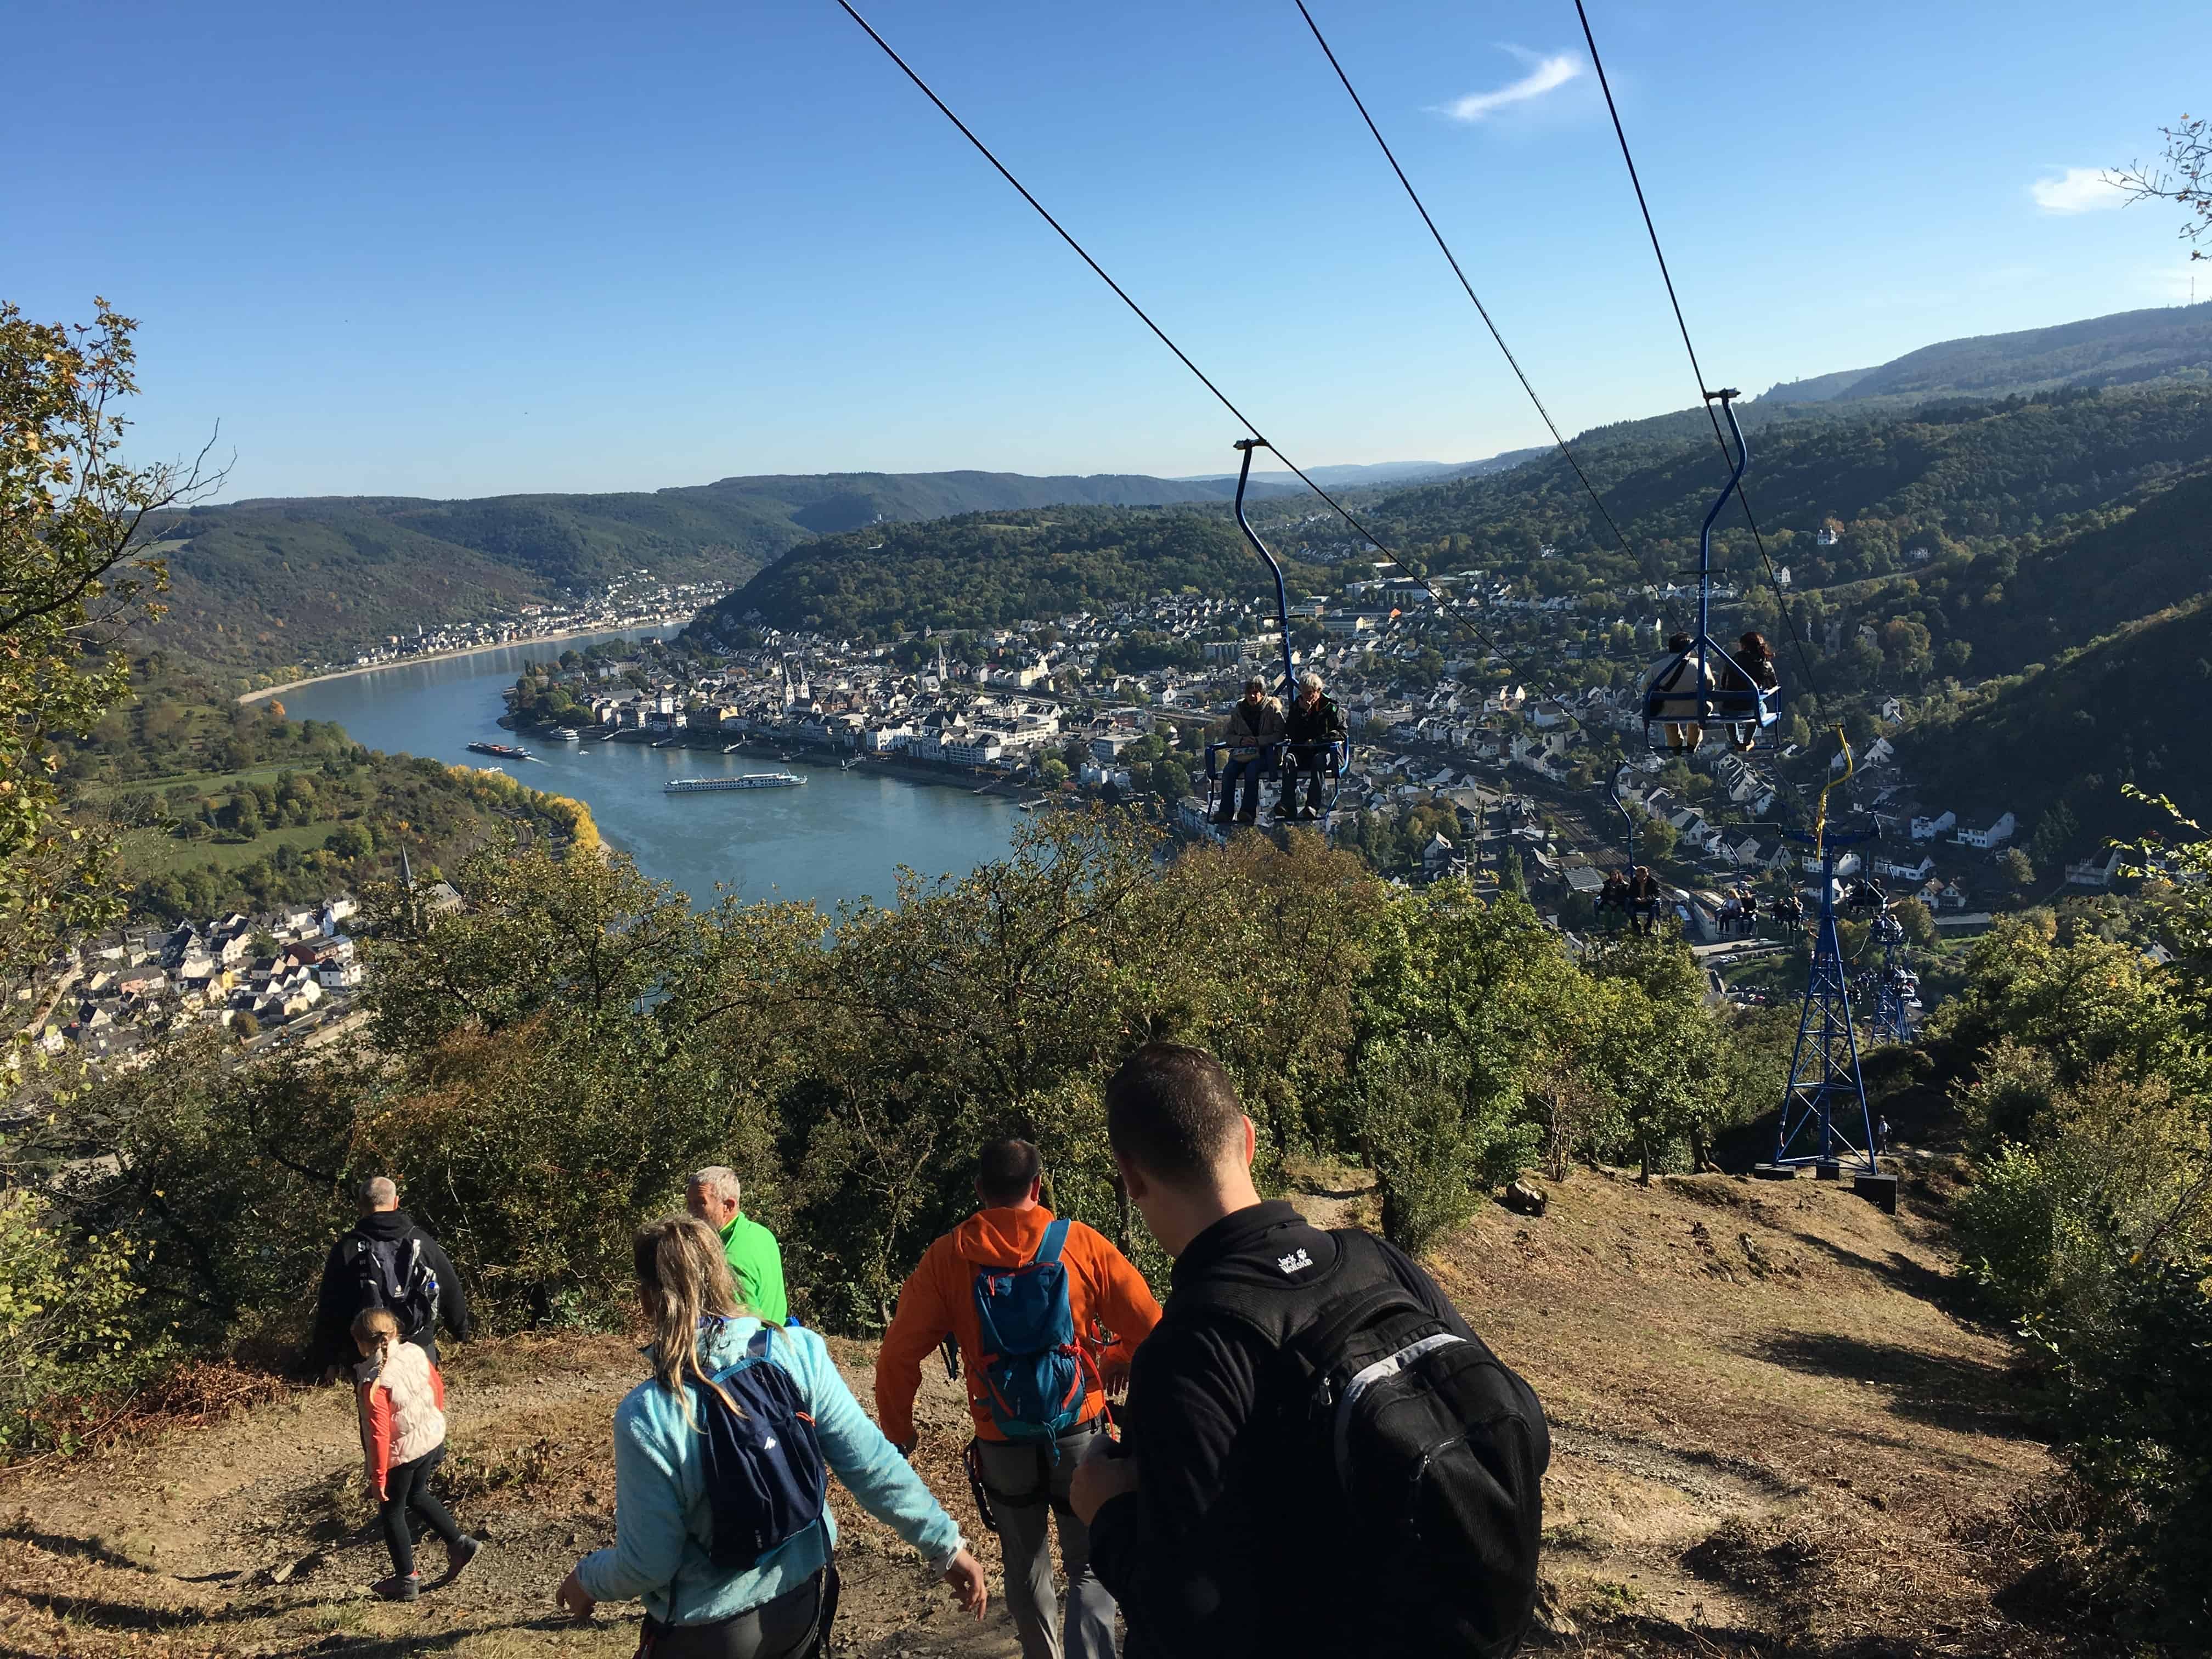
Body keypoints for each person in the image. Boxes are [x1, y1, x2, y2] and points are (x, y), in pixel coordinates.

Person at [1073, 1045, 1548, 1659]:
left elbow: (1191, 1623)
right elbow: (1520, 1429)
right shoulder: (1376, 1259)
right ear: (1247, 1139)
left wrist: (1105, 1515)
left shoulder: (1188, 1351)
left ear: (1132, 1177)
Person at [557, 1216, 988, 1657]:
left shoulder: (648, 1414)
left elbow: (648, 1564)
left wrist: (587, 1579)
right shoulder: (796, 1351)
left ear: (647, 1302)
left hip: (710, 1631)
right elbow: (872, 1465)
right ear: (724, 1275)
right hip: (805, 1603)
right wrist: (946, 1547)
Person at [877, 1138, 1160, 1659]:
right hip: (1079, 1427)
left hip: (1001, 1439)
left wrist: (900, 1431)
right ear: (1037, 1185)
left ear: (981, 1191)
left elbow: (896, 1355)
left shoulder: (948, 1257)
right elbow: (1155, 1330)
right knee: (1091, 1562)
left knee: (1026, 1563)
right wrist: (1117, 1356)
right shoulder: (1081, 1243)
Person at [352, 1307, 480, 1602]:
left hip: (403, 1453)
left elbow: (379, 1435)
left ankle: (406, 1579)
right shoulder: (413, 1352)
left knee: (391, 1511)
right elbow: (437, 1386)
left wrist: (378, 1478)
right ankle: (459, 1544)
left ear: (362, 1344)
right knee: (418, 1494)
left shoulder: (374, 1382)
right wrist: (432, 1419)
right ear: (395, 1332)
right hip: (429, 1438)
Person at [311, 1177, 472, 1378]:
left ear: (360, 1205)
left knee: (376, 1407)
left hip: (368, 1354)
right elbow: (450, 1289)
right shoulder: (422, 1241)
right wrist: (461, 1332)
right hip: (419, 1349)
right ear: (396, 1202)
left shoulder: (347, 1248)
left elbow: (330, 1308)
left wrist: (327, 1359)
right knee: (419, 1405)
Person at [687, 1166, 790, 1326]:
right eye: (689, 1203)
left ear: (728, 1206)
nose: (690, 1213)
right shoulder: (762, 1234)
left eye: (700, 1203)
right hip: (776, 1342)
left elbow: (741, 1329)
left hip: (750, 1348)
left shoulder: (728, 1258)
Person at [1212, 680, 1284, 826]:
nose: (1252, 696)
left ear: (1262, 694)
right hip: (1243, 753)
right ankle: (1225, 812)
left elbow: (1281, 734)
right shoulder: (1239, 711)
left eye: (1256, 693)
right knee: (1229, 770)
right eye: (1249, 693)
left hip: (1267, 755)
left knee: (1252, 769)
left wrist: (1259, 741)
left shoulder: (1272, 709)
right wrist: (1241, 741)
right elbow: (1228, 736)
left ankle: (1248, 812)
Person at [1278, 672, 1345, 823]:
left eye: (1309, 693)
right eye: (1303, 693)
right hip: (1303, 752)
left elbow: (1341, 733)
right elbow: (1290, 732)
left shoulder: (1331, 708)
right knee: (1289, 759)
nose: (1306, 697)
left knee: (1319, 760)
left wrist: (1317, 741)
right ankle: (1288, 804)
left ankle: (1312, 806)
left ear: (1318, 691)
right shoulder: (1297, 706)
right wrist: (1303, 713)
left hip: (1326, 752)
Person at [1645, 631, 1713, 753]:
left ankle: (1675, 745)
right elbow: (1710, 685)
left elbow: (1645, 686)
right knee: (1698, 713)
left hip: (1667, 710)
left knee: (1668, 718)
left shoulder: (1656, 667)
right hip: (1694, 709)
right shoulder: (1701, 665)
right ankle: (1693, 744)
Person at [1722, 631, 1781, 752]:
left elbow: (1723, 685)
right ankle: (1747, 741)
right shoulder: (1765, 664)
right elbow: (1774, 686)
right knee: (1759, 707)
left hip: (1729, 708)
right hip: (1751, 709)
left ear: (1743, 646)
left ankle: (1735, 741)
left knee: (1729, 710)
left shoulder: (1731, 662)